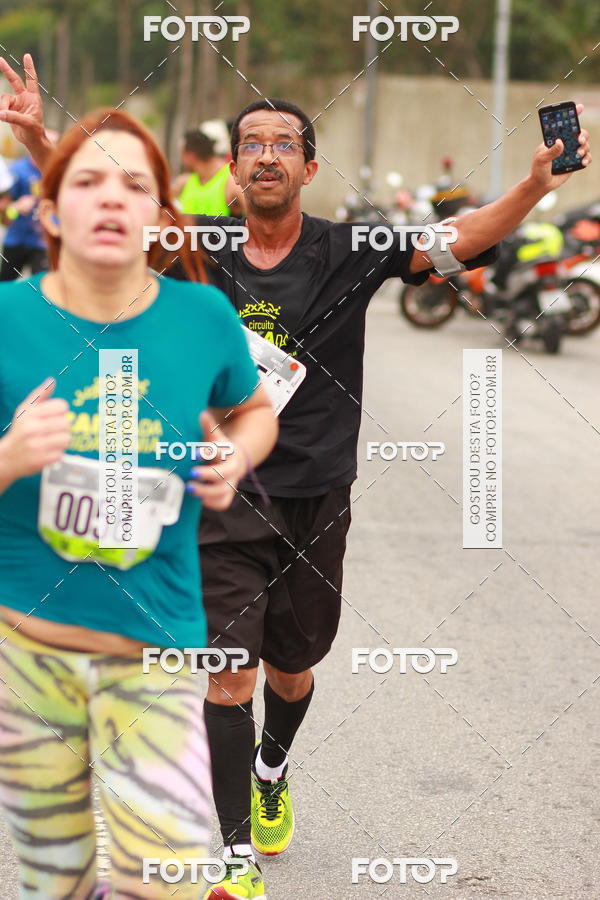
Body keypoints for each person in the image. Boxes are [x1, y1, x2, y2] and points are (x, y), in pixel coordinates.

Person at [2, 54, 592, 900]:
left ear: (310, 168)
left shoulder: (353, 248)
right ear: (234, 168)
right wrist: (37, 140)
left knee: (292, 667)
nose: (267, 154)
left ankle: (274, 769)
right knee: (227, 671)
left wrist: (534, 185)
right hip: (223, 492)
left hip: (318, 491)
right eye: (253, 143)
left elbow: (458, 241)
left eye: (285, 143)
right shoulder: (199, 246)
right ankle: (235, 856)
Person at [0, 97, 277, 899]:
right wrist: (11, 456)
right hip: (25, 657)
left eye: (134, 184)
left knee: (167, 876)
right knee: (54, 880)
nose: (112, 198)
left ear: (161, 216)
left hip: (155, 651)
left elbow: (254, 409)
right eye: (88, 181)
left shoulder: (202, 316)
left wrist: (235, 453)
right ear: (51, 211)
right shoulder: (7, 320)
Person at [0, 133, 57, 278]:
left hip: (42, 242)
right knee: (6, 283)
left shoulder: (57, 173)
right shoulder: (17, 171)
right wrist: (17, 207)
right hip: (16, 239)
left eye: (53, 144)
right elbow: (5, 214)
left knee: (41, 285)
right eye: (44, 143)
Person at [176, 129, 245, 217]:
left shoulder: (232, 181)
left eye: (182, 154)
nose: (181, 161)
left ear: (190, 156)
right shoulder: (184, 182)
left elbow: (256, 217)